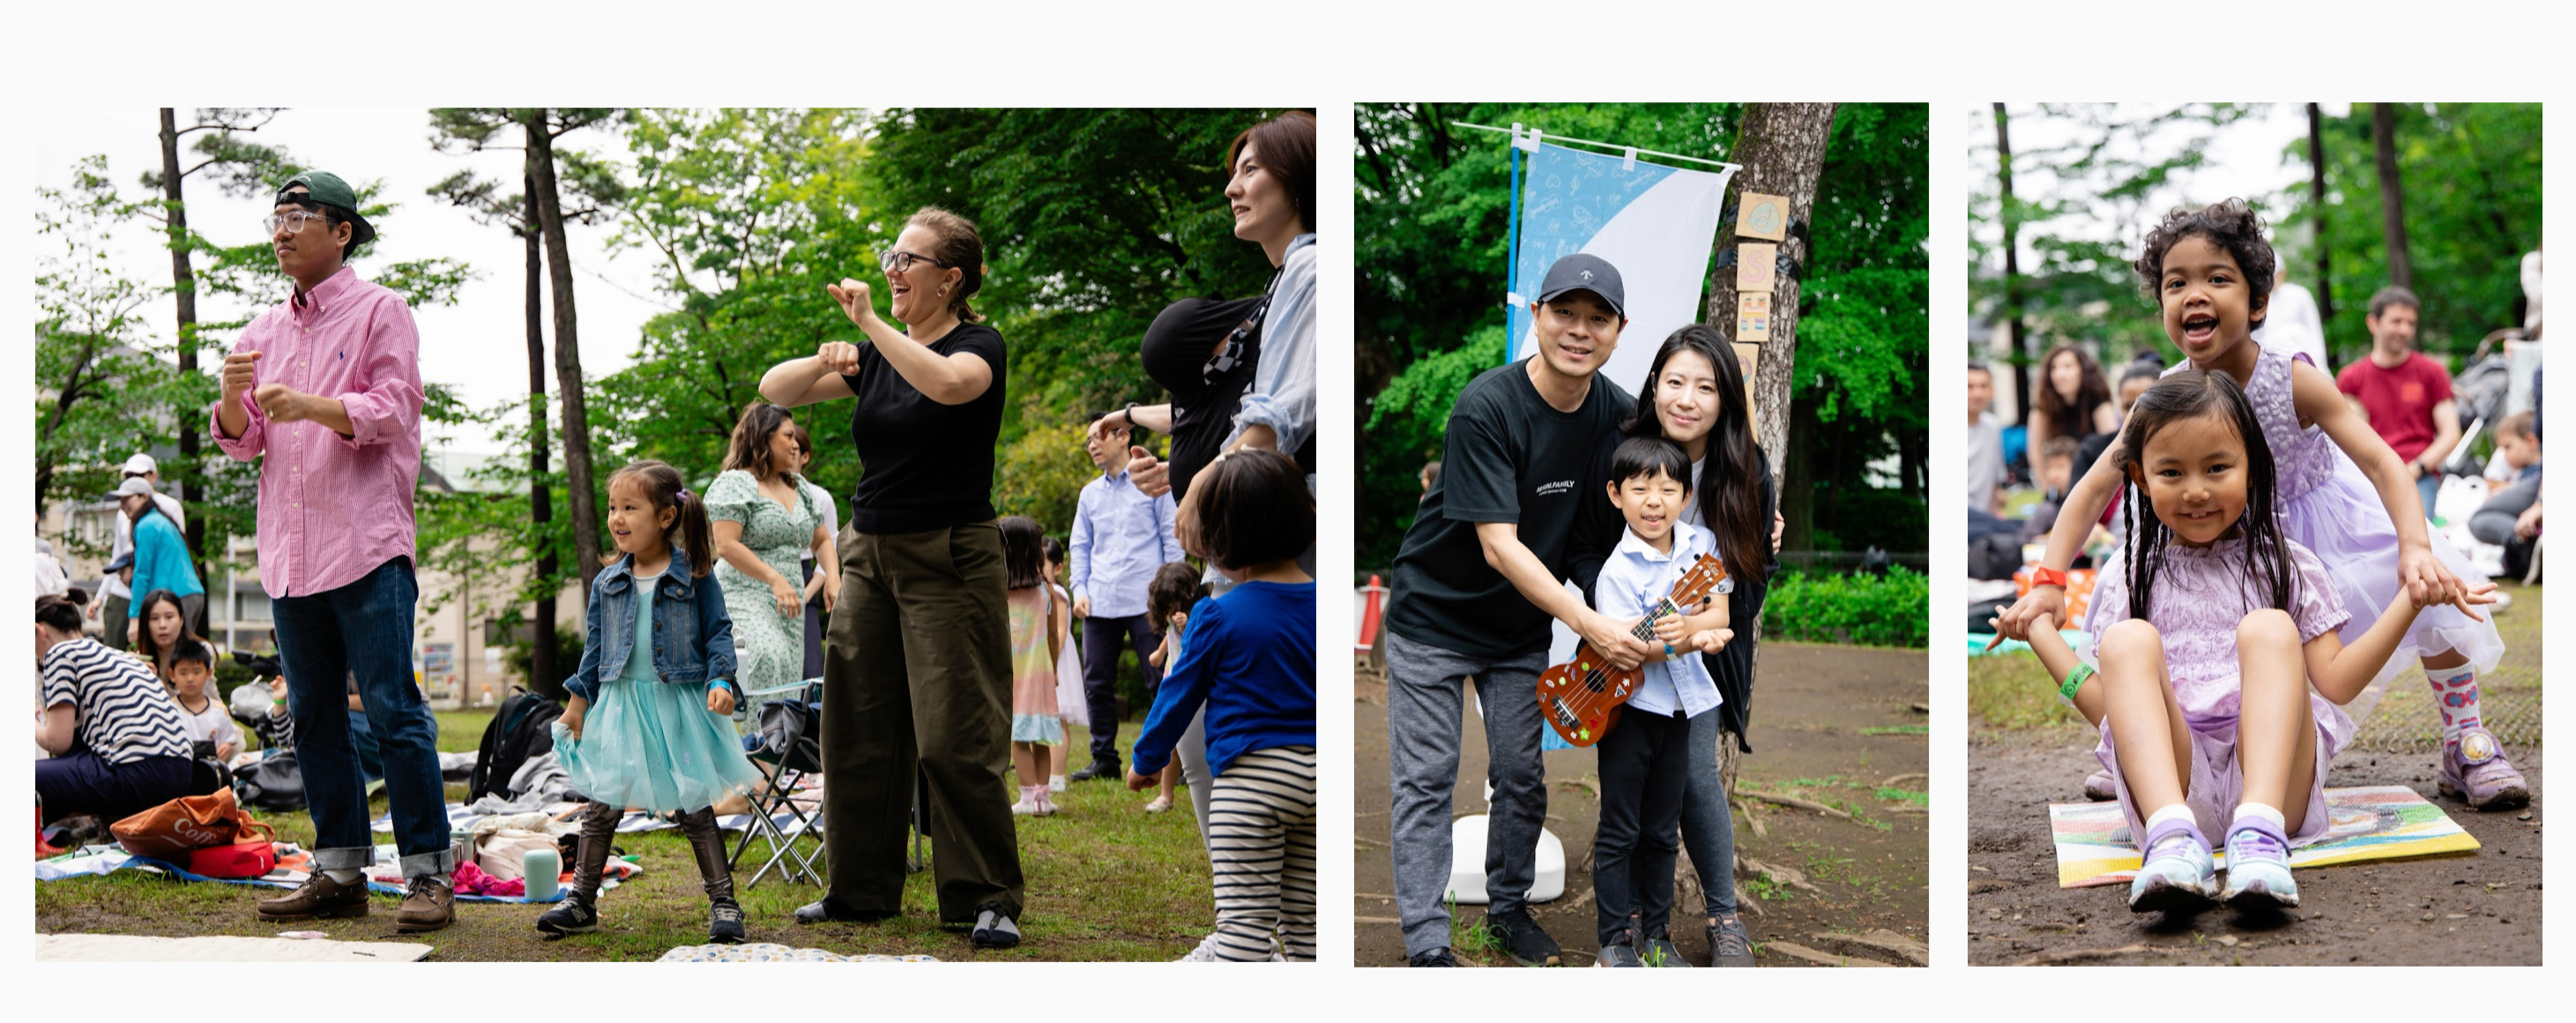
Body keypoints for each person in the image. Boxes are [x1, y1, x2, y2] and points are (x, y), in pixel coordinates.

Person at [1995, 199, 2523, 813]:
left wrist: (2412, 545)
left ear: (2258, 301)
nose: (2195, 293)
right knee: (2155, 624)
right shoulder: (2164, 398)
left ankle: (2465, 738)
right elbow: (2092, 488)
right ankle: (2153, 746)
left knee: (2427, 587)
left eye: (2217, 278)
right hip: (2209, 535)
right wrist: (2051, 580)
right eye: (2176, 282)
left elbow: (2381, 463)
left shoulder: (2293, 380)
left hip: (2319, 531)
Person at [2006, 371, 2490, 912]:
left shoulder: (2287, 563)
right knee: (2126, 640)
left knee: (2269, 626)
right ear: (2140, 479)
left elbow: (2338, 682)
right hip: (2173, 790)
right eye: (2172, 471)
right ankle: (2171, 842)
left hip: (2275, 787)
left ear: (2254, 470)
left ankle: (2258, 839)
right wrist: (2044, 635)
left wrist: (2411, 601)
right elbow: (2111, 714)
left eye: (2217, 467)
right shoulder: (2129, 573)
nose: (2196, 490)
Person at [758, 206, 1025, 947]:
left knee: (954, 732)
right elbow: (773, 388)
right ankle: (860, 890)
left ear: (951, 279)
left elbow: (947, 387)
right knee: (858, 727)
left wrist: (874, 327)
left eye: (910, 259)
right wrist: (825, 359)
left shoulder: (978, 346)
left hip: (951, 554)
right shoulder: (877, 357)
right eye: (891, 256)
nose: (893, 269)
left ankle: (984, 895)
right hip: (869, 553)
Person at [1382, 252, 1644, 967]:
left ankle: (1507, 910)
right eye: (1564, 313)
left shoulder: (1619, 417)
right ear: (1536, 316)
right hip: (1432, 618)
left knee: (1522, 777)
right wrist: (1589, 624)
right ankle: (1427, 943)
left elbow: (1683, 474)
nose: (1579, 330)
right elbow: (1499, 546)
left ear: (1620, 331)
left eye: (1598, 319)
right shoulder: (1487, 406)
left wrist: (1761, 511)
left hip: (1518, 629)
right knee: (1428, 778)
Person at [212, 170, 454, 930]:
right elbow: (244, 440)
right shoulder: (263, 331)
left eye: (298, 216)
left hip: (366, 545)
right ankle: (340, 869)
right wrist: (228, 394)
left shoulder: (383, 311)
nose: (282, 230)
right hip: (290, 554)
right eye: (275, 218)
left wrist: (314, 406)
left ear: (341, 230)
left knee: (394, 710)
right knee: (312, 717)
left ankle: (427, 878)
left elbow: (396, 409)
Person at [1566, 324, 1777, 967]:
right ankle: (1625, 930)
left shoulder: (1744, 467)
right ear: (1655, 383)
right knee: (1632, 793)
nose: (1687, 398)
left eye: (1706, 387)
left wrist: (1703, 628)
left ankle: (1722, 918)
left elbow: (1753, 571)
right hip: (1622, 654)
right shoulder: (1619, 450)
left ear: (1727, 398)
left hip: (1702, 654)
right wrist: (1615, 615)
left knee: (1692, 780)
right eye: (1674, 381)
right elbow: (1580, 546)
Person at [542, 460, 763, 943]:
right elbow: (595, 651)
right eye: (612, 508)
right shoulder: (607, 582)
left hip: (677, 705)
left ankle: (725, 904)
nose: (617, 518)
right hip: (622, 707)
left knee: (694, 806)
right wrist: (578, 705)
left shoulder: (695, 574)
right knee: (602, 804)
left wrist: (721, 679)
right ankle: (581, 901)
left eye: (629, 508)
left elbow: (719, 633)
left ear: (665, 517)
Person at [1126, 448, 1317, 962]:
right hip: (1318, 782)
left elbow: (1179, 694)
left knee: (1243, 932)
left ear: (1224, 541)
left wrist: (1145, 761)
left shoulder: (1216, 614)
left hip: (1249, 784)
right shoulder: (1324, 605)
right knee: (1307, 936)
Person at [1108, 110, 1319, 507]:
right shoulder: (1283, 281)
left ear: (1296, 179)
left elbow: (1283, 417)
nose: (1230, 189)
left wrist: (1204, 482)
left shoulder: (1309, 269)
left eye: (1250, 170)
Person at [1583, 436, 1733, 967]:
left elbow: (1719, 615)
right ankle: (1614, 940)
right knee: (1621, 827)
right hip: (1629, 714)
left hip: (1680, 710)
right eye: (1640, 488)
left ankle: (1657, 935)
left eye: (1668, 488)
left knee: (1662, 830)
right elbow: (1625, 649)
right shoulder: (1616, 572)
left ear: (1685, 494)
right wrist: (1688, 638)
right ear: (1615, 494)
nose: (1654, 500)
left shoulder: (1702, 548)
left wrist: (1695, 629)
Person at [1067, 414, 1182, 782]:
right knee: (1096, 681)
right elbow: (1080, 547)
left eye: (1098, 436)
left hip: (1146, 599)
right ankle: (1104, 759)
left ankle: (1173, 761)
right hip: (1099, 599)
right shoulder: (1088, 495)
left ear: (1123, 436)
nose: (1092, 445)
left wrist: (1173, 597)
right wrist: (1079, 591)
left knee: (1161, 678)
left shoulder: (1152, 482)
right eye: (1087, 441)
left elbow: (1172, 538)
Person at [706, 402, 831, 716]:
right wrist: (774, 578)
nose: (795, 444)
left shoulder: (798, 486)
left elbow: (823, 539)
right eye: (788, 436)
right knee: (763, 657)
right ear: (764, 437)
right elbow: (725, 544)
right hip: (744, 593)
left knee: (786, 677)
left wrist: (835, 580)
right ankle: (743, 750)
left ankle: (769, 752)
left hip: (789, 604)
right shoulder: (736, 483)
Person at [36, 592, 194, 825]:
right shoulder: (118, 655)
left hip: (135, 772)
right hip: (181, 775)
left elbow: (58, 742)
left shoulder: (59, 654)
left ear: (39, 631)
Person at [2336, 287, 2462, 518]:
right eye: (2396, 321)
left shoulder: (2432, 372)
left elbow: (2451, 434)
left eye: (2411, 323)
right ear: (2373, 323)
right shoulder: (2350, 378)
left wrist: (2415, 469)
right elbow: (2340, 438)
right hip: (2368, 477)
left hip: (2418, 477)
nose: (2404, 330)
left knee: (2417, 537)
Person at [999, 516, 1064, 817]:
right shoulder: (1045, 592)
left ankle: (1026, 798)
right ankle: (1043, 797)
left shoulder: (999, 592)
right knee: (1042, 734)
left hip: (1011, 673)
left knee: (1018, 735)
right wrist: (1052, 668)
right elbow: (1052, 635)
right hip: (1040, 672)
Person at [92, 455, 186, 651]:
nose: (133, 479)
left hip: (156, 593)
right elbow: (117, 554)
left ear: (153, 476)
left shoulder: (170, 506)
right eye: (129, 475)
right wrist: (99, 597)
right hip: (122, 590)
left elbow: (178, 555)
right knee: (113, 655)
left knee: (152, 655)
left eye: (139, 475)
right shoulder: (122, 511)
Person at [1140, 562, 1210, 815]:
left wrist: (1187, 623)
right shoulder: (1172, 621)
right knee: (1172, 744)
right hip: (1174, 679)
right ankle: (1165, 795)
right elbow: (1167, 639)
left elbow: (1195, 639)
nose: (1171, 611)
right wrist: (1159, 655)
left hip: (1196, 683)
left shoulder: (1201, 617)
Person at [113, 477, 203, 646]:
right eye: (120, 500)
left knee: (174, 655)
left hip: (177, 596)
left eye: (127, 499)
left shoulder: (146, 525)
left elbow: (141, 573)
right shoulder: (159, 520)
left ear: (144, 497)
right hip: (188, 594)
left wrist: (135, 617)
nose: (123, 505)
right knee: (179, 652)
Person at [2468, 412, 2542, 579]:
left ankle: (2528, 543)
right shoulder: (2520, 475)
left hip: (2535, 488)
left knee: (2478, 519)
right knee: (2504, 559)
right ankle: (2528, 548)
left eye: (2507, 447)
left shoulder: (2537, 477)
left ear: (2531, 440)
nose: (2503, 454)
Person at [793, 424, 841, 681]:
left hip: (805, 576)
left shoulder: (818, 497)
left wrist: (807, 593)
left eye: (795, 445)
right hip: (761, 580)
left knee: (810, 671)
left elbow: (828, 549)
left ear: (805, 456)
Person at [2028, 344, 2121, 466]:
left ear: (2083, 370)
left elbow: (2112, 447)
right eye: (2054, 368)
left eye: (2067, 366)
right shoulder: (2044, 405)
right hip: (2059, 478)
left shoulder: (2099, 400)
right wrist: (2047, 484)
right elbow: (2035, 452)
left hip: (2094, 473)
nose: (2059, 374)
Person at [1042, 537, 1082, 793]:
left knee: (1058, 719)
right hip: (1046, 656)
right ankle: (1049, 775)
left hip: (1057, 658)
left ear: (1058, 568)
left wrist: (1048, 659)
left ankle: (1057, 775)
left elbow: (1059, 630)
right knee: (1049, 719)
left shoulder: (1057, 593)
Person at [164, 639, 239, 762]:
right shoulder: (168, 710)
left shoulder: (219, 710)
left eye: (196, 672)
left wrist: (227, 747)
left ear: (209, 673)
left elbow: (228, 740)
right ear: (172, 675)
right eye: (183, 672)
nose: (190, 679)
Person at [130, 588, 208, 685]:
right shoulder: (138, 659)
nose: (162, 625)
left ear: (181, 620)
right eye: (154, 618)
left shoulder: (201, 650)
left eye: (169, 617)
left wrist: (156, 685)